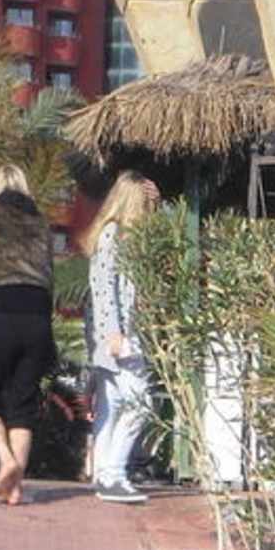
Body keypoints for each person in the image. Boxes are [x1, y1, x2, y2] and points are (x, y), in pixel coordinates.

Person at [0, 164, 55, 507]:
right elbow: (49, 271)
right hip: (38, 317)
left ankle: (5, 460)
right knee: (23, 403)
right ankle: (15, 489)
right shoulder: (41, 221)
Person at [85, 170, 161, 505]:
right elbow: (104, 288)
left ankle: (106, 473)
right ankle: (113, 473)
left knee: (113, 404)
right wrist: (113, 332)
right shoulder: (113, 235)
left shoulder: (124, 236)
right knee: (139, 403)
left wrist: (159, 205)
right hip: (119, 334)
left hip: (118, 332)